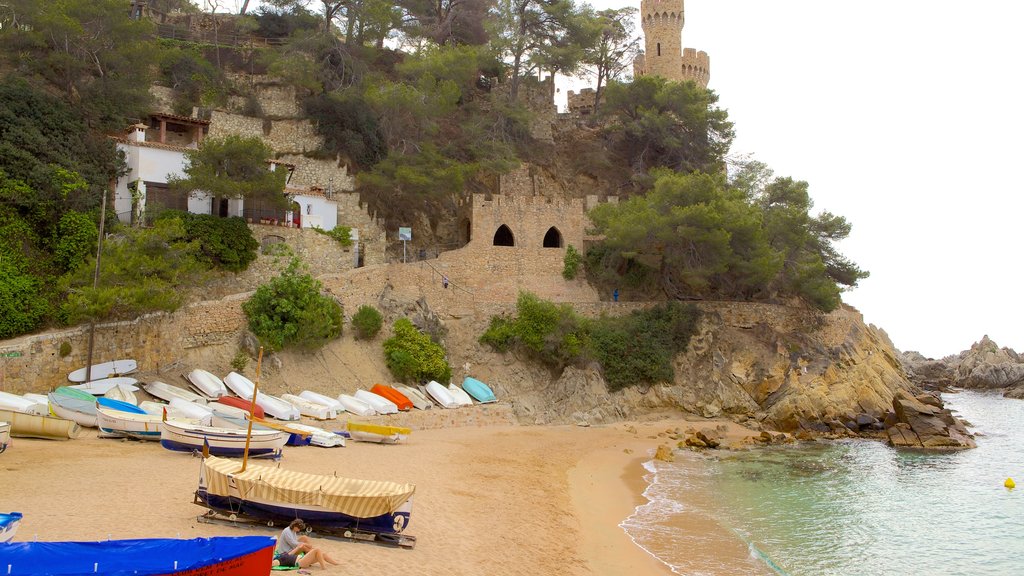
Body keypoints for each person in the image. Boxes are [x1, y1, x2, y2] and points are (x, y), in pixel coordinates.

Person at [274, 519, 340, 569]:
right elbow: (293, 544)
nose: (299, 530)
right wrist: (305, 545)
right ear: (295, 526)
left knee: (304, 538)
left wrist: (304, 544)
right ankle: (312, 552)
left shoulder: (293, 530)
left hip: (292, 552)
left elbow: (295, 543)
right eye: (299, 528)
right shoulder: (287, 531)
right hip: (287, 551)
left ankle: (333, 562)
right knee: (306, 547)